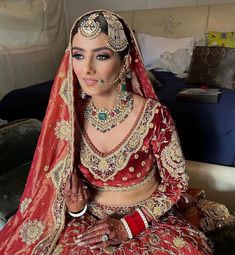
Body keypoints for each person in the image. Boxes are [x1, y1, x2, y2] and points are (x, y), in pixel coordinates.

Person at [0, 10, 222, 255]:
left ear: (125, 62)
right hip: (89, 225)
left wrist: (127, 226)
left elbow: (175, 183)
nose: (86, 69)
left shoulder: (153, 115)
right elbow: (64, 188)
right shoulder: (68, 118)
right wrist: (77, 208)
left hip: (147, 221)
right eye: (78, 55)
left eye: (102, 56)